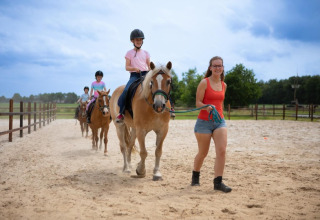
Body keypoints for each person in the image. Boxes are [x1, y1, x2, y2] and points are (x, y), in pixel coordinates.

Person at [115, 29, 175, 123]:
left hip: (146, 74)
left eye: (140, 40)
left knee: (161, 87)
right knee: (126, 90)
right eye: (136, 40)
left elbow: (148, 65)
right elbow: (127, 67)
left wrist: (152, 72)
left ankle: (170, 108)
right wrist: (135, 69)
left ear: (142, 41)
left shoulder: (146, 53)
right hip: (135, 75)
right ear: (132, 41)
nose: (138, 41)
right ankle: (121, 113)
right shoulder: (129, 53)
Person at [191, 56, 232, 193]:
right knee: (203, 153)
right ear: (210, 68)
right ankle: (195, 175)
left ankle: (218, 182)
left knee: (222, 150)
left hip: (219, 121)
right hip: (204, 122)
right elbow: (198, 103)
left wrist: (219, 113)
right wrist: (206, 106)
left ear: (222, 68)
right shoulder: (204, 82)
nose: (217, 68)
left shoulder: (224, 85)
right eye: (215, 66)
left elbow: (221, 103)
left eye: (220, 66)